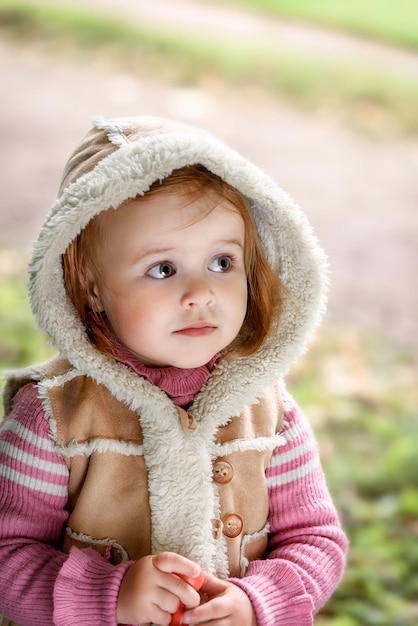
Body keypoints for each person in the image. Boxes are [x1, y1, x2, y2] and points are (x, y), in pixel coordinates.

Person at [0, 115, 347, 626]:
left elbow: (317, 540)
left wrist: (257, 601)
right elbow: (8, 554)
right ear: (91, 286)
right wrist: (111, 595)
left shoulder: (268, 410)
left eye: (222, 263)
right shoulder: (54, 415)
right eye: (162, 269)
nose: (201, 294)